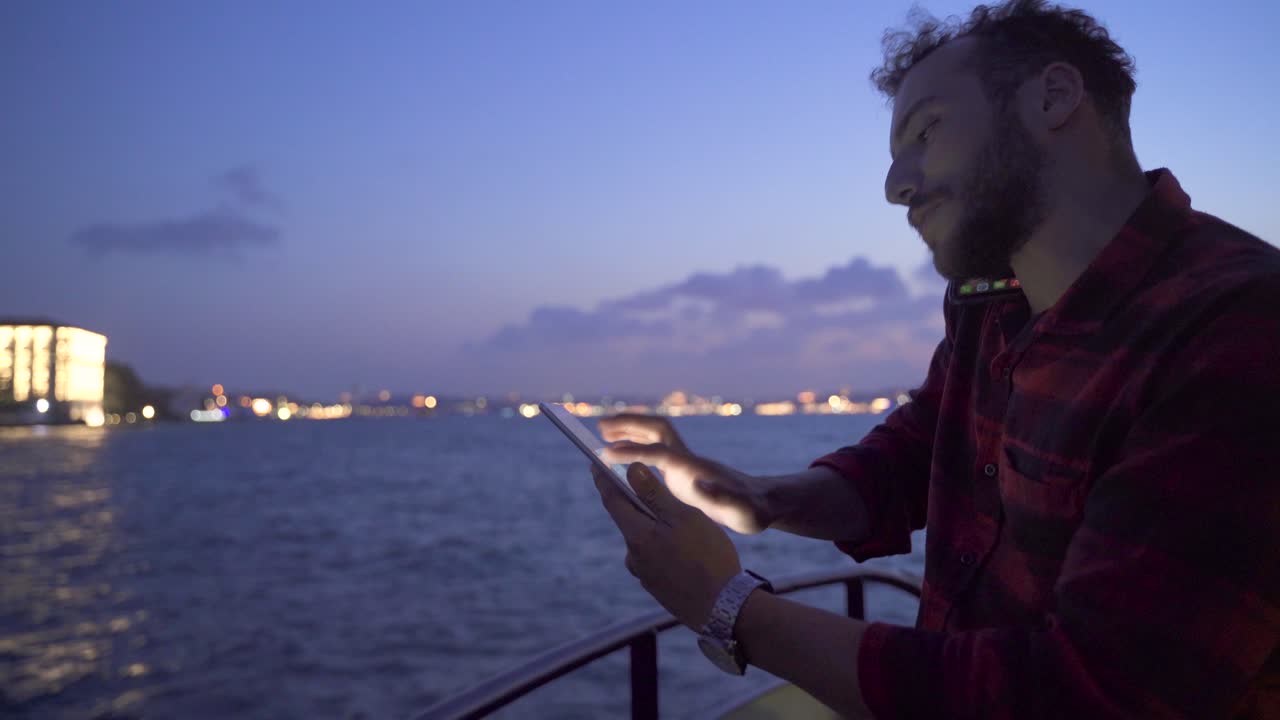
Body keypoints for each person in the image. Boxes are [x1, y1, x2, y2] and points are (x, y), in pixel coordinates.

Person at [588, 1, 1280, 717]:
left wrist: (728, 605)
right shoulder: (991, 302)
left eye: (926, 131)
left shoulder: (1237, 327)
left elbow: (1089, 695)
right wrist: (762, 498)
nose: (895, 186)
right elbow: (923, 450)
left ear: (1054, 97)